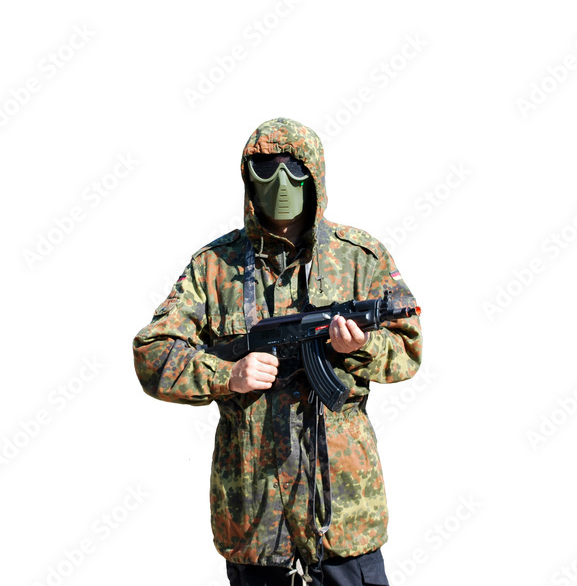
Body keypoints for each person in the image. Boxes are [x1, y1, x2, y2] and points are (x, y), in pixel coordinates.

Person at [133, 117, 423, 585]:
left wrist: (362, 346)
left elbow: (407, 349)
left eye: (294, 171)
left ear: (315, 176)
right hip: (255, 515)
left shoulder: (359, 257)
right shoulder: (215, 266)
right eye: (267, 171)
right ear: (248, 178)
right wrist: (227, 375)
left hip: (343, 510)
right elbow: (153, 354)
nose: (281, 184)